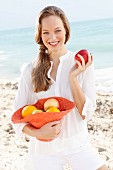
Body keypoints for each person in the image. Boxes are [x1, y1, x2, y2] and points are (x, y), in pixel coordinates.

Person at [13, 5, 108, 170]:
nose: (52, 37)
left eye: (57, 30)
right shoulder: (31, 70)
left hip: (78, 145)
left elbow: (86, 113)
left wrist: (73, 78)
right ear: (40, 35)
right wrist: (38, 133)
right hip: (43, 151)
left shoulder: (81, 64)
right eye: (46, 32)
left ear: (66, 31)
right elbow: (17, 118)